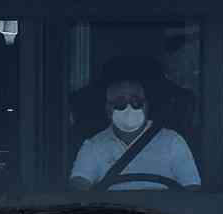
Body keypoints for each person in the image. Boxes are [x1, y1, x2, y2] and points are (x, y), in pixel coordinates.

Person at [70, 59, 201, 189]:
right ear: (108, 109)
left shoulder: (173, 142)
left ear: (146, 106)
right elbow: (79, 188)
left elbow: (192, 190)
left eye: (136, 101)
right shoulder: (93, 146)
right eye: (120, 102)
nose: (129, 108)